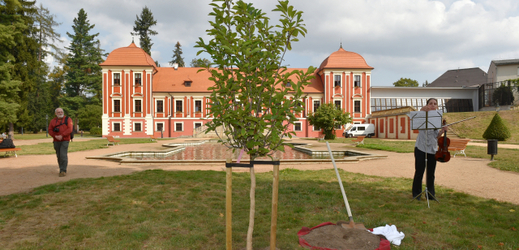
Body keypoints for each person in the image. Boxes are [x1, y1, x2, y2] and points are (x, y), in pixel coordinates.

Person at [412, 98, 448, 201]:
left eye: (435, 104)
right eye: (430, 103)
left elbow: (436, 136)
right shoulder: (422, 115)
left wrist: (442, 131)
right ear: (427, 105)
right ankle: (416, 194)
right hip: (421, 147)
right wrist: (422, 110)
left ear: (437, 106)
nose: (433, 105)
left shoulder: (437, 118)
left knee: (431, 174)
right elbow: (417, 124)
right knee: (419, 172)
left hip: (432, 149)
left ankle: (430, 194)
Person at [48, 108, 73, 177]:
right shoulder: (53, 121)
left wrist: (62, 135)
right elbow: (50, 130)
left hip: (65, 140)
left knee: (63, 155)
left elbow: (70, 129)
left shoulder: (68, 119)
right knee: (58, 155)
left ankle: (63, 170)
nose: (60, 113)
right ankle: (61, 168)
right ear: (56, 113)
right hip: (56, 140)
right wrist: (55, 136)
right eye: (58, 112)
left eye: (61, 112)